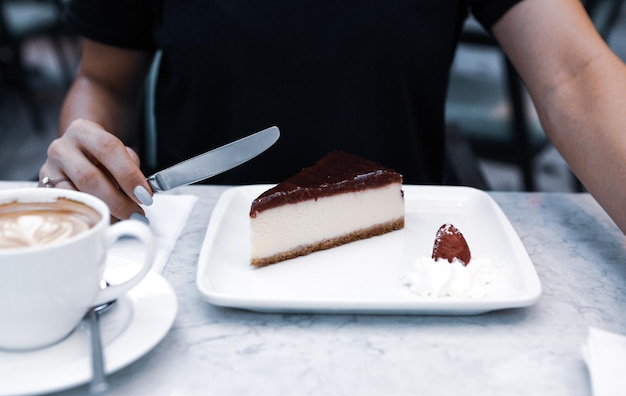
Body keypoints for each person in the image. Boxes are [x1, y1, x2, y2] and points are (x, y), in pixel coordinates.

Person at [39, 0, 626, 234]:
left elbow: (573, 75)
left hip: (402, 247)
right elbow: (103, 80)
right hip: (195, 254)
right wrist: (86, 162)